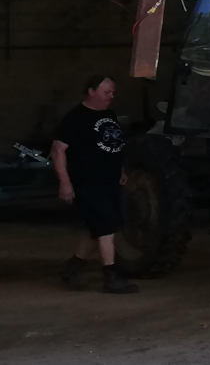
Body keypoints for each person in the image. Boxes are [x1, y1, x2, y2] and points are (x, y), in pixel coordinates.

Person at [53, 76, 138, 294]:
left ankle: (72, 267)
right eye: (106, 92)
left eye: (112, 92)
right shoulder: (76, 118)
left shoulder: (109, 115)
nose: (111, 96)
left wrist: (119, 169)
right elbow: (57, 151)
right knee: (107, 228)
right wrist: (65, 183)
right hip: (88, 182)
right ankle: (111, 276)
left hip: (109, 181)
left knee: (98, 230)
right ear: (91, 91)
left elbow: (112, 145)